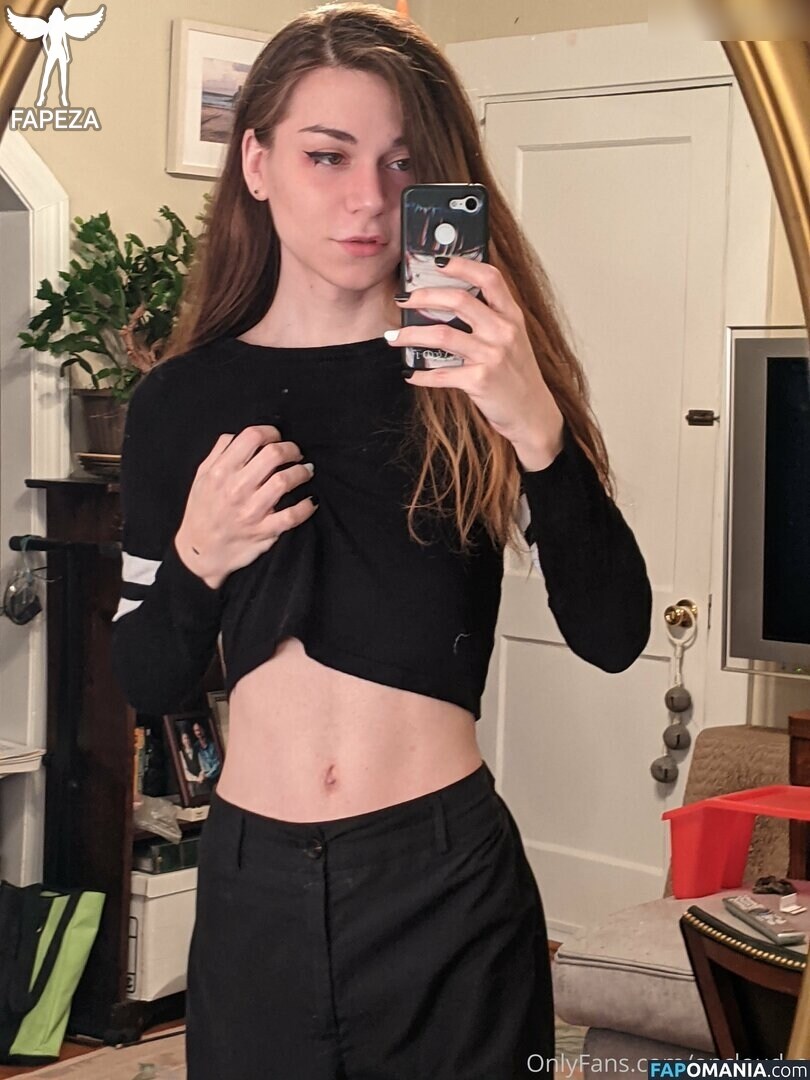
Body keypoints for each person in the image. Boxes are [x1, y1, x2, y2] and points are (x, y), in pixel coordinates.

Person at [110, 4, 652, 1077]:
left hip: (444, 888)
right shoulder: (178, 401)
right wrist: (200, 558)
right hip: (252, 890)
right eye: (328, 155)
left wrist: (539, 431)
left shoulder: (478, 380)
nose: (368, 198)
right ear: (256, 163)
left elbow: (615, 633)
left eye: (403, 163)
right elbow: (146, 678)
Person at [191, 720, 221, 784]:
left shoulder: (213, 744)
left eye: (199, 729)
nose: (198, 732)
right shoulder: (196, 747)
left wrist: (207, 776)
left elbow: (218, 763)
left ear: (203, 729)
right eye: (196, 731)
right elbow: (197, 764)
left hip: (216, 776)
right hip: (205, 779)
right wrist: (201, 774)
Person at [179, 727, 204, 796]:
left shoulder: (196, 750)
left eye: (188, 738)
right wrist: (196, 779)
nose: (187, 740)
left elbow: (202, 765)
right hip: (191, 782)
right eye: (184, 739)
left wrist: (201, 775)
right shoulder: (181, 754)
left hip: (201, 779)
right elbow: (185, 771)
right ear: (182, 741)